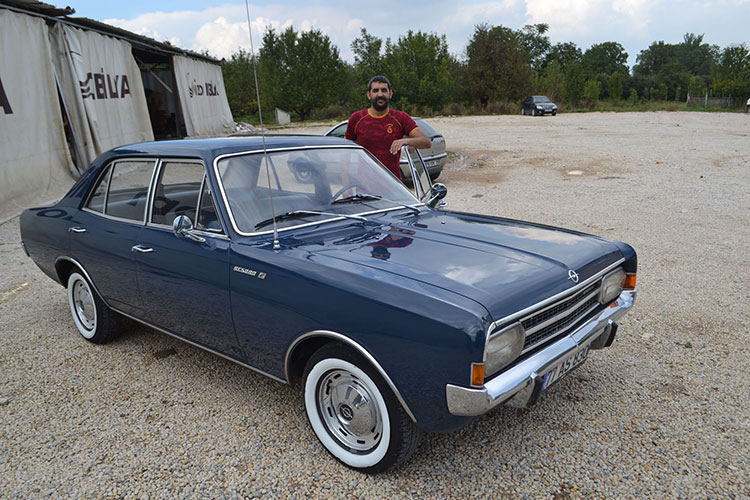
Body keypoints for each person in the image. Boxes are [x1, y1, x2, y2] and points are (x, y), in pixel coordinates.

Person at [345, 76, 431, 180]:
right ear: (369, 95)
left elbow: (426, 142)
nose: (380, 94)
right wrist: (346, 184)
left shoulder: (401, 118)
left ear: (390, 94)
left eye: (384, 90)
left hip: (393, 186)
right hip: (364, 186)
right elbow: (345, 155)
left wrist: (406, 141)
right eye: (375, 90)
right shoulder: (356, 118)